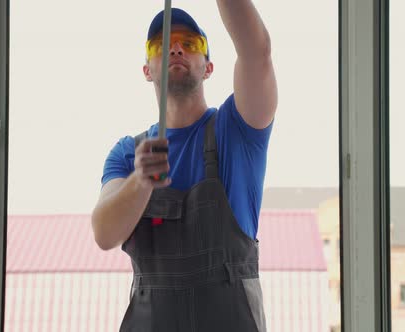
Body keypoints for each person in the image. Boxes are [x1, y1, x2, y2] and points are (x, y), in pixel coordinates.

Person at [91, 2, 277, 331]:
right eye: (162, 46)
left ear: (208, 67)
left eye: (190, 44)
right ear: (147, 69)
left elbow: (256, 52)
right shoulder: (127, 154)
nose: (176, 48)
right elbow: (105, 234)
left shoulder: (236, 132)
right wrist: (141, 181)